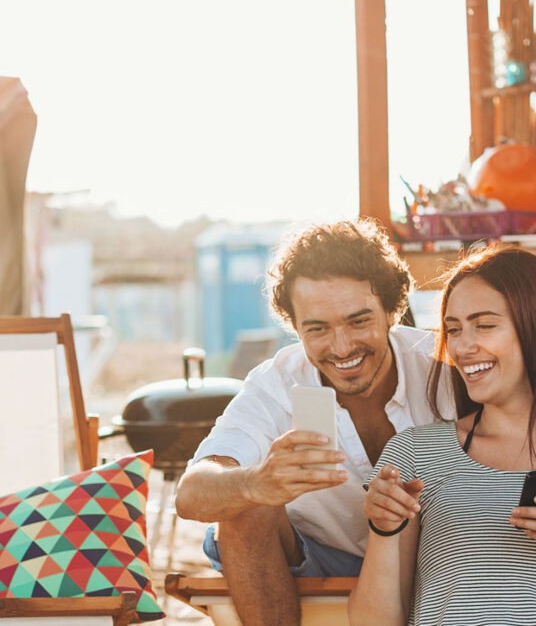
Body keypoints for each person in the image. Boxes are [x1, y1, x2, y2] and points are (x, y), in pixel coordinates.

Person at [349, 244, 536, 626]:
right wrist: (382, 527)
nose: (461, 346)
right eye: (453, 329)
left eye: (485, 325)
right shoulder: (415, 454)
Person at [175, 218, 454, 626]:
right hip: (322, 560)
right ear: (294, 326)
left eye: (359, 321)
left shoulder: (442, 366)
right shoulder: (276, 383)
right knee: (243, 505)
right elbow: (190, 494)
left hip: (438, 558)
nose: (341, 347)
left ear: (393, 310)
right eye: (318, 329)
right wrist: (257, 482)